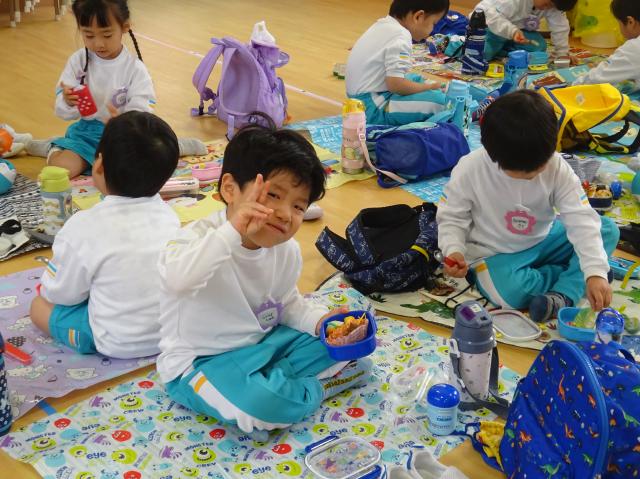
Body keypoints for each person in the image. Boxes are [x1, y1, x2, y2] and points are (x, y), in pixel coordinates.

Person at [156, 120, 372, 432]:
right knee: (264, 408)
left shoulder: (286, 251)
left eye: (298, 206)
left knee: (343, 341)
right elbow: (178, 282)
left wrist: (319, 322)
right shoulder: (195, 240)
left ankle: (278, 381)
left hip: (265, 345)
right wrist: (233, 231)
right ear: (230, 189)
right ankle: (313, 388)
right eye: (272, 195)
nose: (285, 213)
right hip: (204, 361)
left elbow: (287, 306)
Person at [437, 90, 619, 323]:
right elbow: (452, 217)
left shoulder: (557, 167)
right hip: (496, 255)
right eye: (518, 173)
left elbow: (581, 218)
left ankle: (567, 290)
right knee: (509, 293)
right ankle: (573, 276)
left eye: (537, 169)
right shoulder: (470, 169)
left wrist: (594, 271)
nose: (530, 176)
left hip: (543, 240)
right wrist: (454, 249)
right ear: (491, 153)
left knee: (607, 229)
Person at [30, 111, 180, 358]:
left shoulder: (82, 226)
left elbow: (59, 294)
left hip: (117, 341)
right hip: (171, 335)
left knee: (39, 307)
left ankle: (87, 339)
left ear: (98, 165)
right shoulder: (170, 217)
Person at [26, 0, 205, 177]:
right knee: (62, 169)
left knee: (145, 164)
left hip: (126, 136)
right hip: (87, 135)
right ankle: (54, 147)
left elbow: (141, 108)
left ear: (125, 27)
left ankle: (175, 145)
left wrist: (124, 122)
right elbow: (63, 109)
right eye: (89, 35)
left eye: (107, 35)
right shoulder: (78, 61)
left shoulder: (134, 68)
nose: (98, 44)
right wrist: (67, 101)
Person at [345, 0, 449, 125]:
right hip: (371, 109)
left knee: (413, 78)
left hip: (360, 99)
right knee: (440, 102)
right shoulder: (401, 37)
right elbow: (396, 85)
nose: (432, 30)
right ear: (418, 16)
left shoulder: (383, 24)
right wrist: (428, 88)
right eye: (434, 23)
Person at [475, 0, 576, 61]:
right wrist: (512, 32)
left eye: (552, 6)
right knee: (482, 54)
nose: (548, 8)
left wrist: (562, 53)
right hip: (489, 25)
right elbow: (491, 17)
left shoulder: (551, 5)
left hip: (515, 31)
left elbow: (560, 26)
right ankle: (492, 47)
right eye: (548, 4)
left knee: (539, 47)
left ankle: (500, 48)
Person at [573, 0, 640, 90]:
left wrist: (573, 85)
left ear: (630, 22)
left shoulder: (633, 49)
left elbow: (597, 79)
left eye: (618, 23)